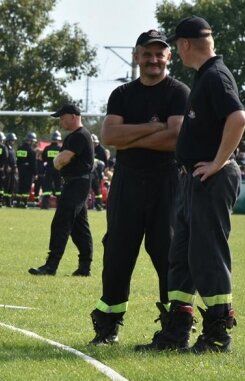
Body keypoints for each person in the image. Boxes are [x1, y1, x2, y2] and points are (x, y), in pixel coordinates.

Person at [137, 16, 245, 354]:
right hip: (193, 179)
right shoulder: (206, 75)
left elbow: (238, 117)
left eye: (175, 46)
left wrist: (217, 161)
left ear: (184, 45)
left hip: (210, 179)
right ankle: (177, 330)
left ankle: (217, 333)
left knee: (207, 256)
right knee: (181, 256)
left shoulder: (214, 75)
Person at [88, 29, 190, 345]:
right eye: (147, 53)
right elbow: (109, 137)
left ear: (168, 58)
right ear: (136, 57)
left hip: (167, 182)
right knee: (117, 252)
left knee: (167, 253)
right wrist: (152, 128)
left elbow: (176, 138)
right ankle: (109, 326)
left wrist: (131, 136)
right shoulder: (122, 94)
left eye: (159, 53)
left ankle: (175, 327)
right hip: (127, 182)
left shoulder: (179, 92)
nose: (153, 59)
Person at [29, 104, 93, 277]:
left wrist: (56, 161)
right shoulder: (77, 135)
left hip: (76, 184)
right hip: (76, 184)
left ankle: (51, 266)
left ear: (73, 116)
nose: (60, 121)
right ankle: (85, 267)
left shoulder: (79, 136)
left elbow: (61, 161)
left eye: (62, 117)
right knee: (80, 228)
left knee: (61, 223)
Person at [15, 132, 38, 208]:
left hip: (21, 170)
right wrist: (35, 173)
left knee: (20, 186)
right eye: (33, 141)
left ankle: (18, 203)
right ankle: (24, 204)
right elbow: (33, 164)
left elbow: (18, 160)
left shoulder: (19, 148)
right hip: (28, 172)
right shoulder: (31, 151)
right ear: (30, 141)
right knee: (26, 188)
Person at [40, 131, 62, 208]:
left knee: (47, 188)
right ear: (58, 140)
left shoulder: (47, 148)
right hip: (58, 169)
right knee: (58, 188)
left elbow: (43, 158)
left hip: (49, 169)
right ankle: (60, 205)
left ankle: (45, 205)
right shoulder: (60, 149)